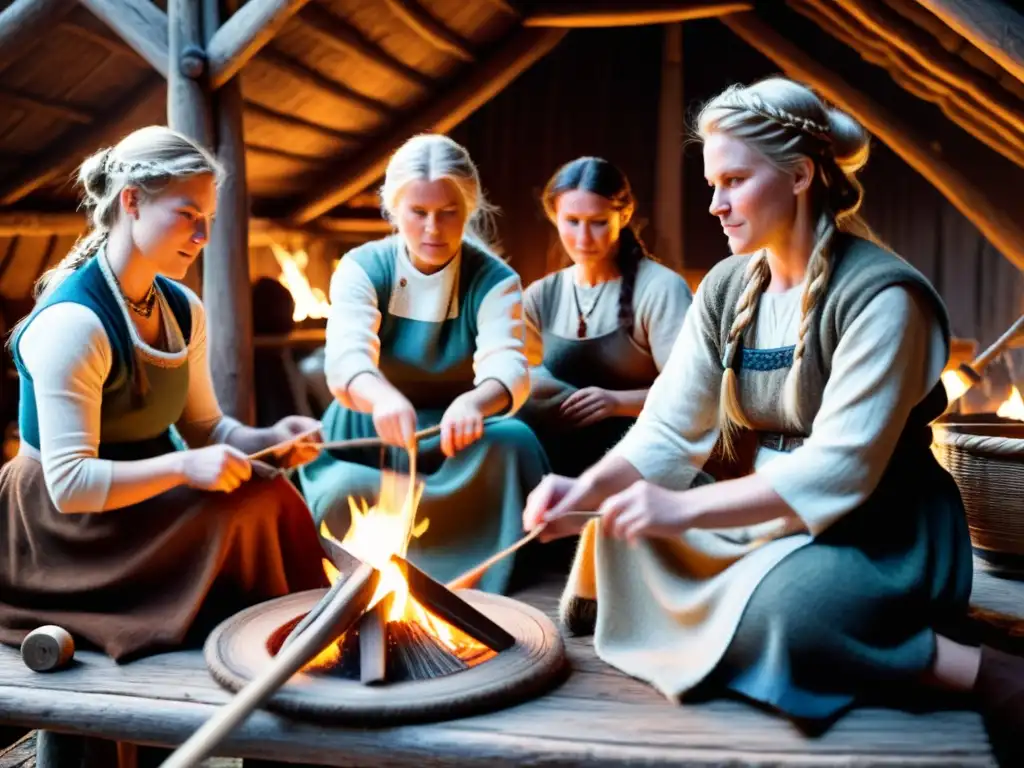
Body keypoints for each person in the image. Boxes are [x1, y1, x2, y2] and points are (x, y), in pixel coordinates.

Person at [522, 77, 1023, 760]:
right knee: (615, 534)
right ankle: (754, 629)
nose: (715, 205)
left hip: (882, 529)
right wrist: (583, 494)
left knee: (792, 614)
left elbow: (839, 470)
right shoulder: (728, 287)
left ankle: (975, 671)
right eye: (711, 183)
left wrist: (683, 512)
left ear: (799, 176)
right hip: (766, 516)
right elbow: (670, 428)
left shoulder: (884, 296)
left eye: (732, 181)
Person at [0, 126, 328, 662]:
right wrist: (182, 469)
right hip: (61, 535)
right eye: (187, 214)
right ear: (131, 201)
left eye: (208, 220)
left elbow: (209, 430)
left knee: (265, 489)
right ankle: (258, 658)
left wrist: (272, 437)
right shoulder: (75, 325)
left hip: (140, 505)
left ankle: (284, 660)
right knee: (251, 508)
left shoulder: (180, 309)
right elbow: (70, 485)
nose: (202, 236)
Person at [299, 134, 548, 594]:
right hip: (373, 428)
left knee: (515, 441)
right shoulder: (361, 266)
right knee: (341, 489)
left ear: (468, 207)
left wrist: (476, 402)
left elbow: (508, 365)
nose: (433, 228)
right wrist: (382, 398)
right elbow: (347, 356)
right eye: (418, 213)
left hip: (458, 435)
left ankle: (468, 567)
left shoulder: (495, 280)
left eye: (447, 212)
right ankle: (366, 573)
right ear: (395, 211)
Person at [521, 157, 693, 479]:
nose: (584, 238)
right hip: (555, 457)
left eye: (598, 222)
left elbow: (692, 394)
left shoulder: (660, 288)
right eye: (572, 221)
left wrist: (617, 402)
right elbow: (511, 375)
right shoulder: (540, 295)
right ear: (553, 216)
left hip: (640, 456)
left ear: (624, 215)